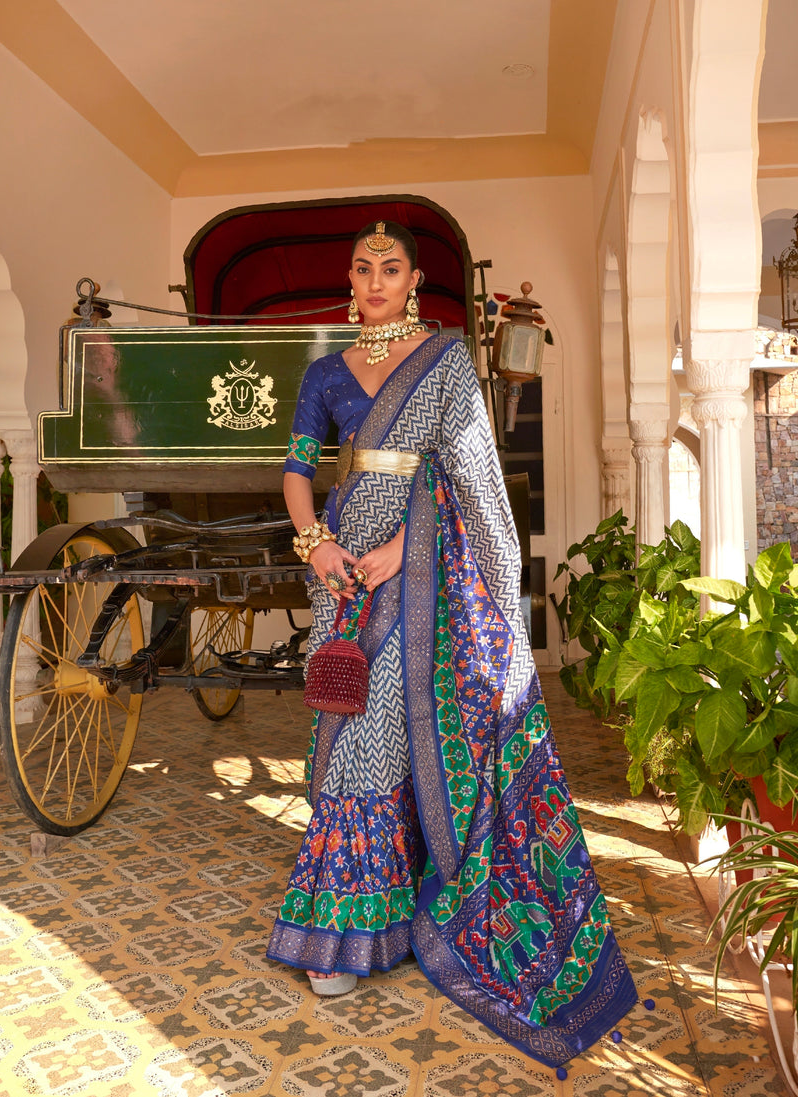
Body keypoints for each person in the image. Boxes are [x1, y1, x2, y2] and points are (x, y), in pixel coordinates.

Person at [266, 219, 637, 1069]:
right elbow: (297, 468)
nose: (372, 281)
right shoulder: (325, 372)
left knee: (387, 730)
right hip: (342, 567)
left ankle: (382, 915)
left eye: (388, 268)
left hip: (421, 562)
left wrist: (408, 548)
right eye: (361, 269)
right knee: (349, 722)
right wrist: (315, 543)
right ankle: (364, 917)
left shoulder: (444, 364)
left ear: (415, 279)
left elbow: (469, 477)